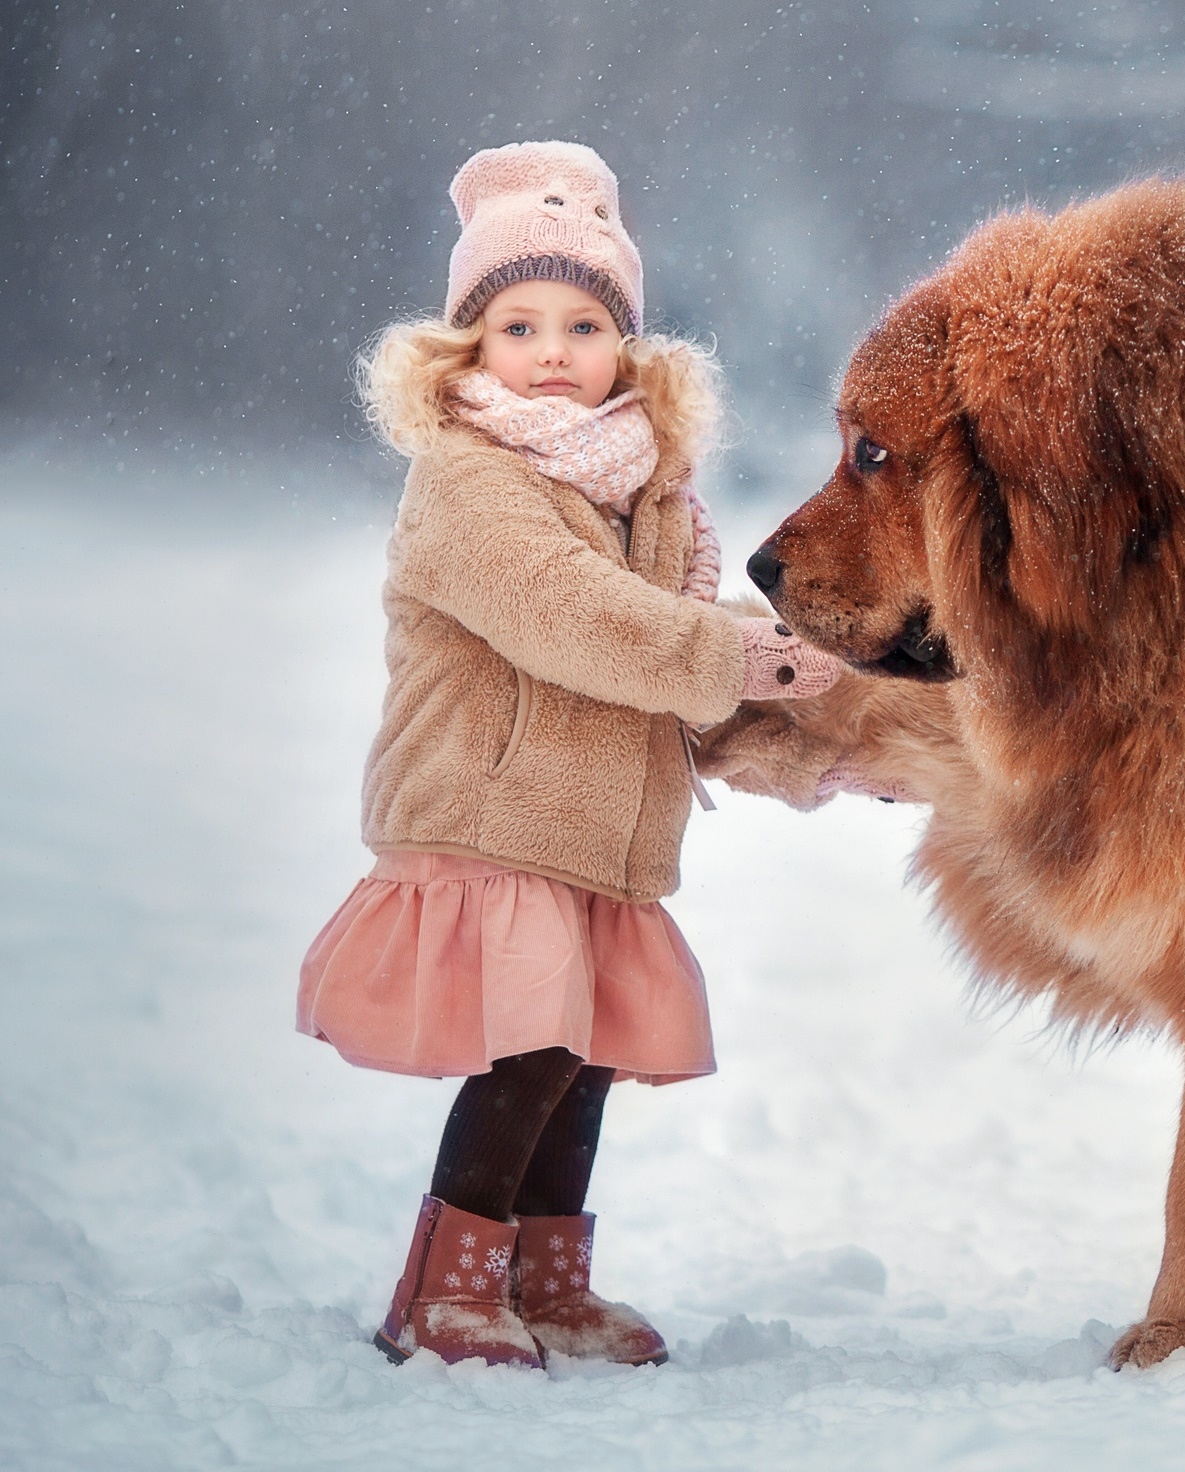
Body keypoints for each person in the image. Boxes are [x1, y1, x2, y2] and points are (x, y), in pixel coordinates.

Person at [298, 140, 838, 1370]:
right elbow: (576, 620)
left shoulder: (648, 499)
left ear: (628, 349)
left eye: (584, 323)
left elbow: (685, 661)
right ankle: (444, 1287)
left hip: (602, 828)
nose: (552, 351)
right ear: (466, 347)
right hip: (493, 809)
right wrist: (755, 660)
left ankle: (545, 1280)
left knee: (580, 1060)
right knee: (530, 1049)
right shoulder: (468, 484)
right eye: (517, 323)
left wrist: (833, 702)